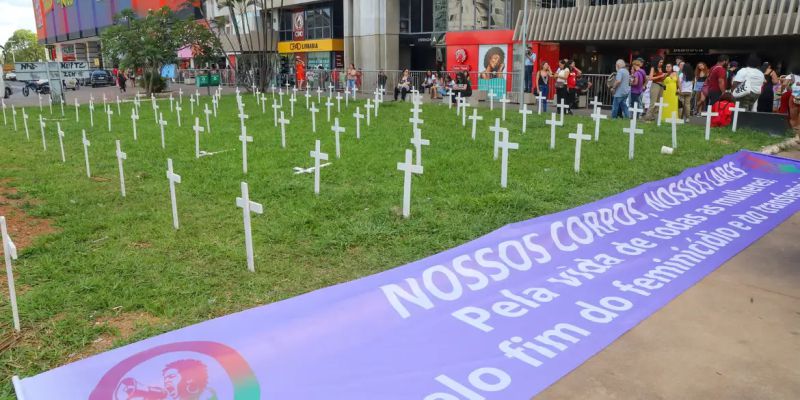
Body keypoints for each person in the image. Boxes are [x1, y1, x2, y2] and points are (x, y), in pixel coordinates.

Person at [642, 56, 666, 122]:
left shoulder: (661, 68)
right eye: (660, 62)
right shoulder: (653, 68)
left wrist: (664, 76)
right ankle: (647, 118)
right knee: (653, 102)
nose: (661, 63)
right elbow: (650, 78)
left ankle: (652, 117)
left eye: (662, 62)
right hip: (655, 85)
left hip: (661, 85)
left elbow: (661, 78)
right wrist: (660, 76)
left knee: (658, 103)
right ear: (657, 62)